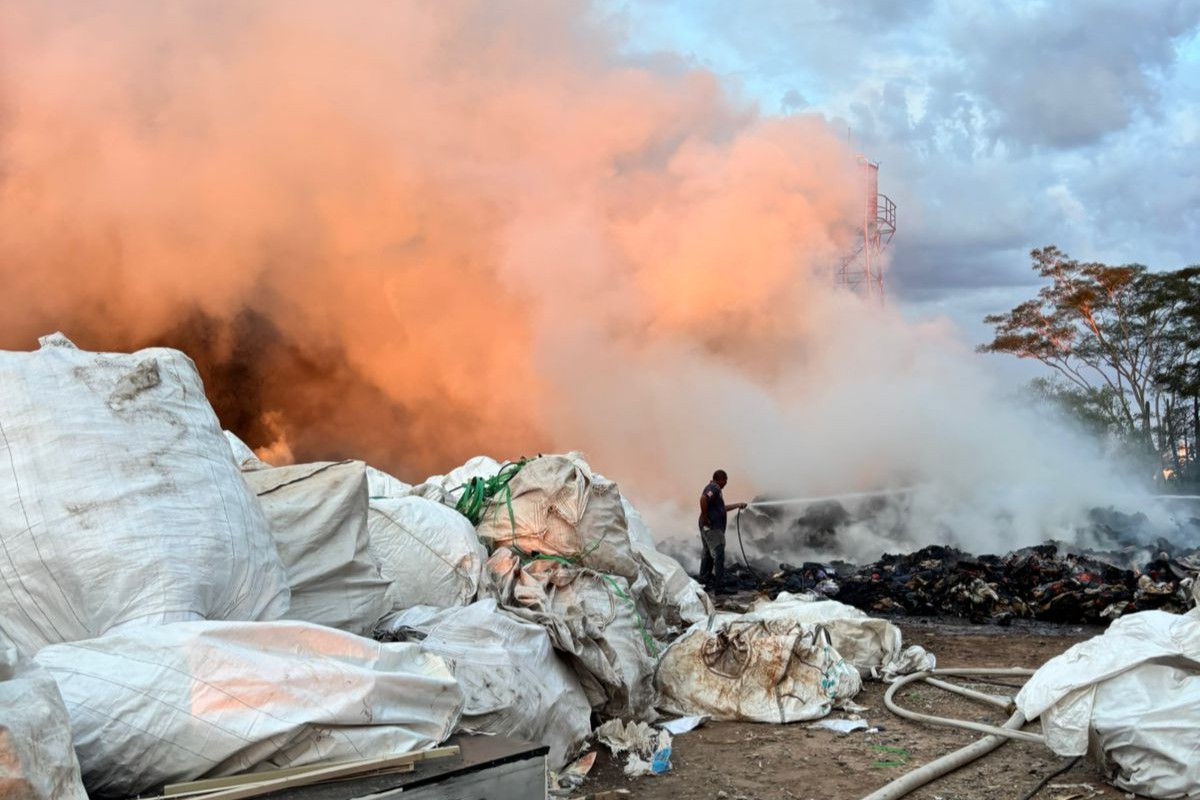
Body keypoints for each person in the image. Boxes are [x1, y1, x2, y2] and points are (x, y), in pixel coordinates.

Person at [698, 469, 746, 594]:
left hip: (708, 527)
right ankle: (719, 587)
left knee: (707, 554)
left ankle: (703, 584)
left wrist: (738, 505)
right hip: (712, 528)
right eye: (725, 481)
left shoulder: (715, 490)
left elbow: (721, 509)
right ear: (720, 479)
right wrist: (706, 517)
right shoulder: (714, 488)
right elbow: (703, 499)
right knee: (719, 554)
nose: (726, 484)